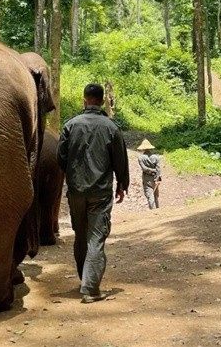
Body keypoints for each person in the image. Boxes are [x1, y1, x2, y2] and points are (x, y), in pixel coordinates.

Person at [57, 83, 129, 303]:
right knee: (95, 238)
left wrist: (72, 177)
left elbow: (61, 157)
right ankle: (89, 288)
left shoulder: (70, 125)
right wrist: (122, 184)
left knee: (81, 235)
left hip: (77, 191)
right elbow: (120, 160)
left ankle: (85, 279)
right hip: (100, 192)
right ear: (102, 101)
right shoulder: (111, 127)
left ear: (84, 100)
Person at [137, 139, 161, 209]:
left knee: (150, 195)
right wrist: (158, 178)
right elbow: (159, 169)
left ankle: (152, 211)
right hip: (155, 178)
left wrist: (151, 170)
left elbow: (144, 169)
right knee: (156, 195)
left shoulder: (140, 158)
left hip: (147, 179)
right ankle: (158, 210)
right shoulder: (156, 157)